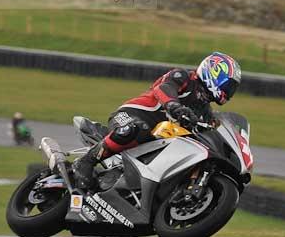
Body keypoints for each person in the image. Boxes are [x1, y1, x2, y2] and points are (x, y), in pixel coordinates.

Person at [73, 52, 242, 191]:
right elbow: (163, 88)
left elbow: (212, 129)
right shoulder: (184, 77)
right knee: (136, 129)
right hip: (130, 115)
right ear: (214, 72)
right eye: (228, 86)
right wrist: (174, 105)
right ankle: (86, 162)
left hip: (157, 138)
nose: (229, 92)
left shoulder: (205, 111)